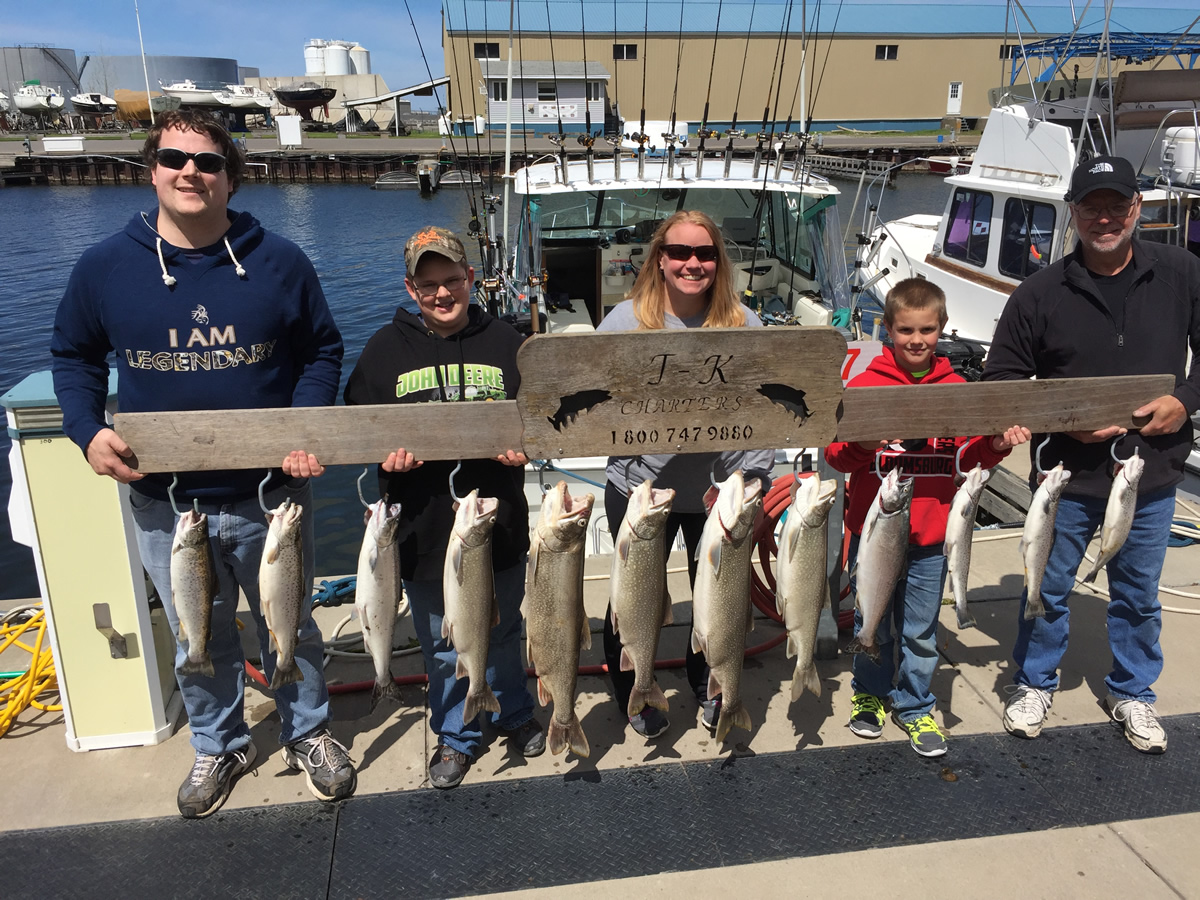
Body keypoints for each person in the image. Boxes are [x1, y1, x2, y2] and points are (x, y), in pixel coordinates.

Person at [49, 109, 355, 818]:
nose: (191, 172)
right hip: (167, 499)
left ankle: (308, 733)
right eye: (174, 158)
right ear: (151, 168)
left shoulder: (279, 259)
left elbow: (322, 351)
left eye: (208, 162)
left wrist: (303, 424)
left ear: (230, 176)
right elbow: (74, 356)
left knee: (293, 622)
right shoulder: (104, 266)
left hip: (269, 498)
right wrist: (86, 429)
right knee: (199, 633)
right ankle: (219, 744)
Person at [984, 155, 1200, 754]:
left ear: (1137, 208)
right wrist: (1064, 421)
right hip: (1063, 477)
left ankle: (1134, 690)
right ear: (1073, 213)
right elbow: (1000, 379)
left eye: (1115, 204)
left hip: (1150, 474)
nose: (1104, 217)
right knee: (1045, 588)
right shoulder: (1039, 292)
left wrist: (1185, 402)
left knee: (1139, 593)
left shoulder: (1183, 272)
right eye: (1091, 206)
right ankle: (1034, 680)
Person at [343, 225, 544, 789]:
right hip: (425, 530)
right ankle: (456, 733)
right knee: (441, 637)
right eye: (428, 284)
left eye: (452, 279)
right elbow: (359, 427)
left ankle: (513, 710)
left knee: (503, 629)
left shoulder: (509, 342)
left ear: (471, 278)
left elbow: (544, 418)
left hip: (495, 523)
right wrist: (387, 462)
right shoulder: (385, 349)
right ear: (411, 288)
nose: (442, 293)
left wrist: (525, 447)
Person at [826, 278, 1028, 758]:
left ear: (942, 329)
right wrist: (863, 445)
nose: (917, 340)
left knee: (919, 630)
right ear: (888, 329)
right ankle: (870, 695)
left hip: (933, 539)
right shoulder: (865, 384)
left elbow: (966, 457)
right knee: (872, 621)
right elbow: (837, 456)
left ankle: (915, 706)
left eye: (927, 330)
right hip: (875, 535)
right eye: (906, 330)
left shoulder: (956, 389)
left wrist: (997, 445)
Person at [599, 209, 775, 739]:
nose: (692, 263)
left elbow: (764, 411)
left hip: (718, 494)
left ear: (719, 261)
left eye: (705, 253)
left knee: (718, 602)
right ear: (660, 258)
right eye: (679, 252)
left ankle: (709, 685)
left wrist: (755, 481)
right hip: (639, 493)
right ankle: (634, 690)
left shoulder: (747, 324)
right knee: (631, 600)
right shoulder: (624, 321)